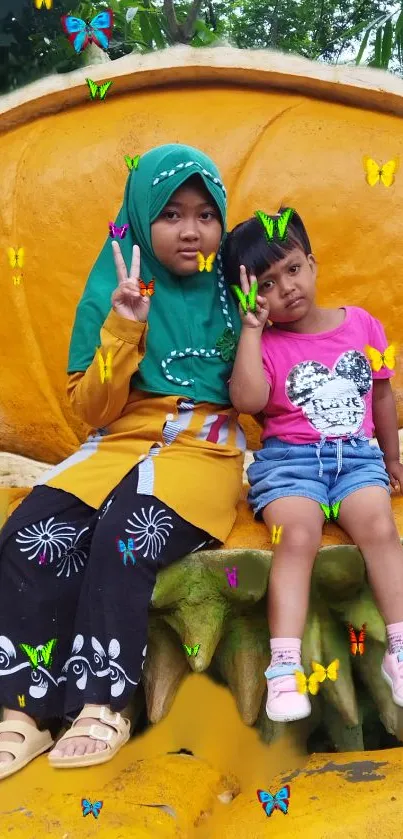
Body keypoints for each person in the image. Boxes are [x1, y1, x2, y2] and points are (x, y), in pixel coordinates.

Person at [0, 143, 245, 778]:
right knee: (29, 536)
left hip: (203, 448)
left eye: (204, 214)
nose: (191, 231)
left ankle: (103, 702)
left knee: (128, 534)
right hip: (118, 444)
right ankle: (24, 712)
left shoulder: (238, 287)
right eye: (170, 215)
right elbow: (93, 410)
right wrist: (123, 326)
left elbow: (261, 391)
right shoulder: (112, 287)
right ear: (140, 219)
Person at [222, 206, 403, 723]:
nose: (287, 289)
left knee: (378, 525)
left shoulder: (362, 324)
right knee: (296, 538)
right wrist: (252, 331)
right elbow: (250, 402)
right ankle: (283, 666)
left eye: (294, 270)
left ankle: (399, 648)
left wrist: (391, 458)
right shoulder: (264, 343)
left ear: (313, 263)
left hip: (357, 459)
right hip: (289, 466)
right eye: (268, 284)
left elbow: (383, 397)